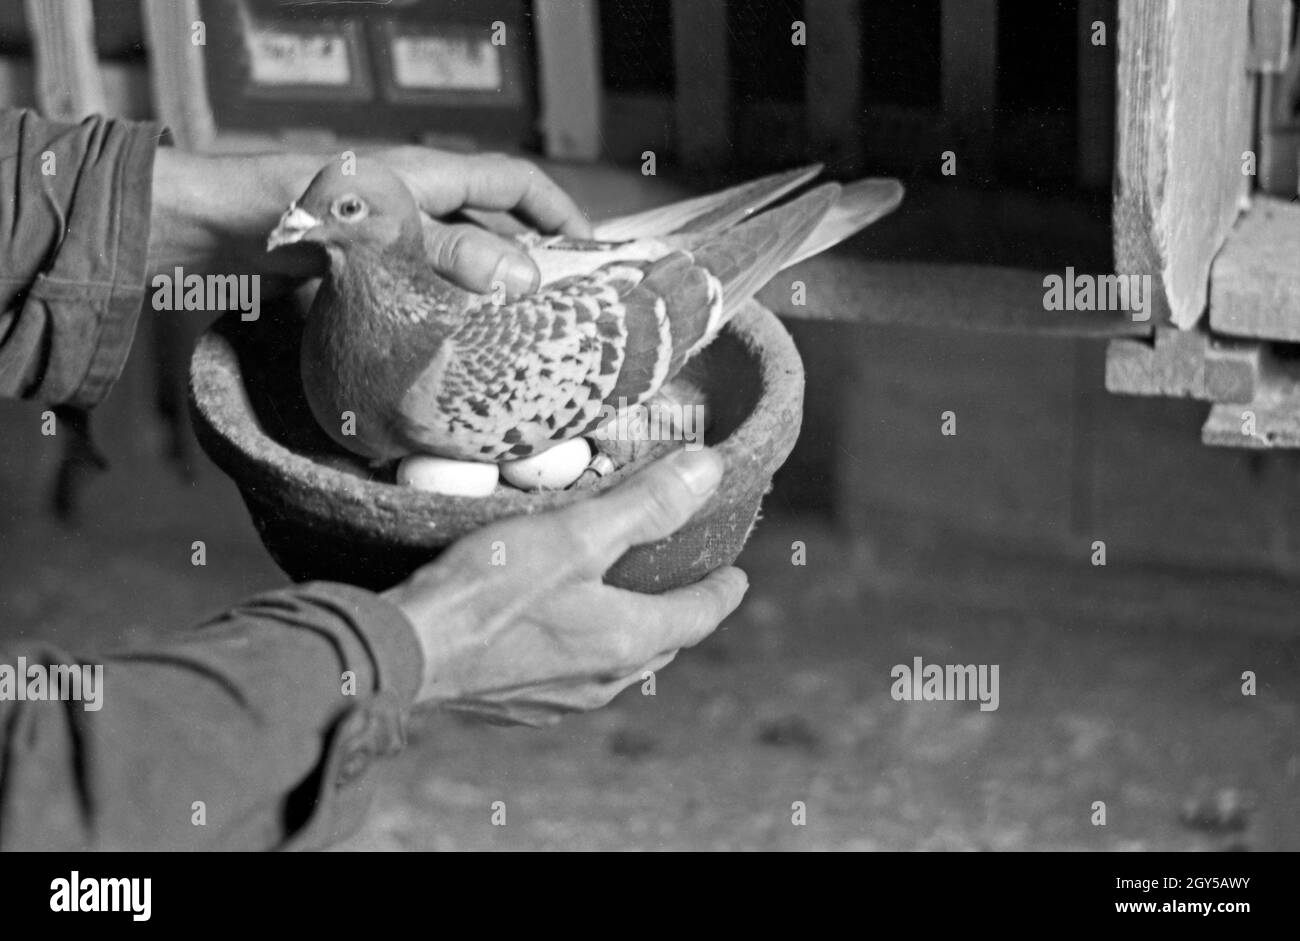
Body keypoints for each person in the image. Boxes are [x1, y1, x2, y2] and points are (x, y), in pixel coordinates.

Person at [0, 108, 748, 850]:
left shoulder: (446, 381)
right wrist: (424, 644)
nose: (298, 220)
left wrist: (154, 202)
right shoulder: (388, 354)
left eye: (346, 209)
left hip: (618, 297)